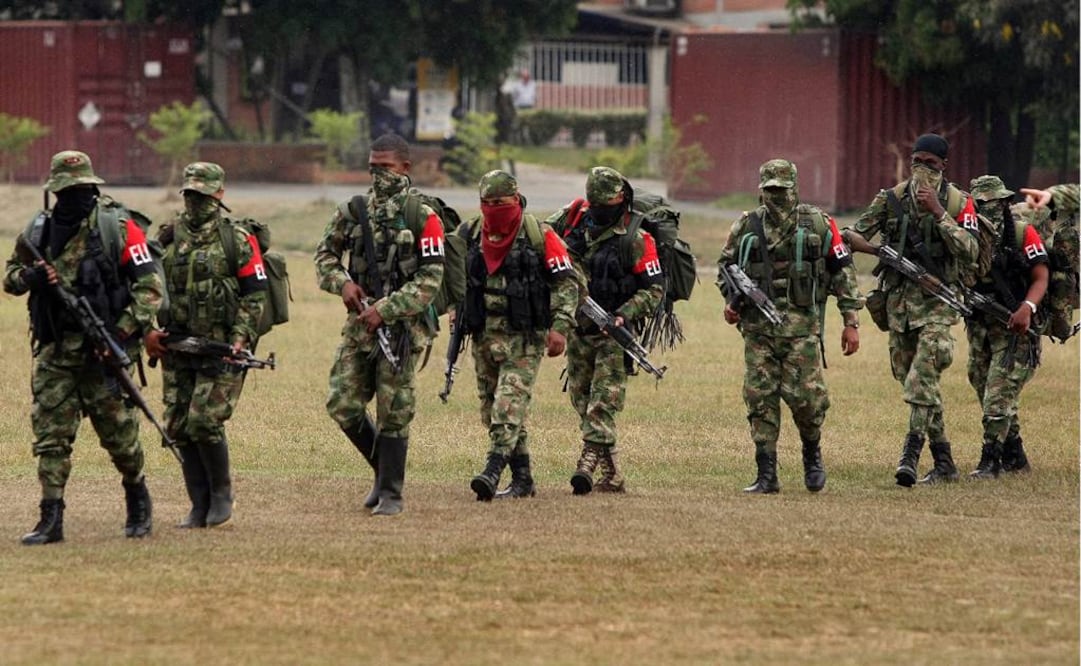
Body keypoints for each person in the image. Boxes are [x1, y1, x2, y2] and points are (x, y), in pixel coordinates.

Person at [3, 150, 163, 544]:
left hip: (104, 353)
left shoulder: (119, 227)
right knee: (51, 436)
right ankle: (50, 517)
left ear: (92, 188)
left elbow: (150, 289)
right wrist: (31, 278)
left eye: (80, 190)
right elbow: (9, 277)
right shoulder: (39, 230)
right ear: (54, 191)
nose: (73, 197)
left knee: (120, 435)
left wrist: (121, 335)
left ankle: (137, 498)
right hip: (55, 352)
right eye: (66, 190)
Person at [314, 133, 446, 516]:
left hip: (402, 329)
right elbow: (324, 257)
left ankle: (391, 493)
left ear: (406, 168)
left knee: (394, 408)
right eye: (373, 168)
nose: (378, 176)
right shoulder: (353, 211)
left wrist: (387, 310)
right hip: (360, 325)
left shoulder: (423, 215)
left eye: (385, 168)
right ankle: (381, 470)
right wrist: (343, 284)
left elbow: (430, 279)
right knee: (342, 402)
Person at [718, 159, 862, 493]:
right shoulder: (746, 226)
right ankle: (766, 473)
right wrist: (731, 301)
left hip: (801, 330)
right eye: (769, 191)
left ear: (794, 189)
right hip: (758, 332)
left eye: (781, 191)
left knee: (808, 400)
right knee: (760, 398)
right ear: (761, 191)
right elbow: (725, 266)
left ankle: (812, 456)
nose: (775, 198)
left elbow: (843, 273)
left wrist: (850, 321)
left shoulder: (818, 224)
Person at [845, 133, 979, 487]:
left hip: (939, 303)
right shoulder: (890, 199)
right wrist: (876, 252)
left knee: (922, 380)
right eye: (917, 161)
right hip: (899, 306)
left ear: (944, 166)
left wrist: (938, 212)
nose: (922, 170)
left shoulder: (956, 202)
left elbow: (971, 250)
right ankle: (945, 461)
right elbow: (852, 234)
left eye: (931, 164)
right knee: (914, 382)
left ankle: (910, 455)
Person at [143, 162, 268, 527]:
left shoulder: (237, 240)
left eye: (204, 195)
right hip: (177, 347)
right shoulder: (168, 237)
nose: (196, 202)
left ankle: (221, 496)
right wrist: (149, 331)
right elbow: (144, 286)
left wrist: (240, 338)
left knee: (205, 421)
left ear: (219, 195)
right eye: (191, 195)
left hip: (221, 348)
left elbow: (254, 295)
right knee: (179, 425)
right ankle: (198, 504)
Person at [457, 170, 579, 501]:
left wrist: (560, 327)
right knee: (491, 409)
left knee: (508, 405)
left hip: (525, 338)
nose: (495, 208)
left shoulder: (540, 235)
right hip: (484, 336)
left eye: (501, 202)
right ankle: (523, 477)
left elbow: (567, 284)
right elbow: (453, 278)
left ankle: (492, 470)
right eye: (488, 203)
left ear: (516, 198)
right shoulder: (470, 233)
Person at [547, 166, 664, 495]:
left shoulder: (637, 238)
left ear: (621, 200)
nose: (600, 210)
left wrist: (625, 315)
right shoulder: (572, 222)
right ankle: (612, 476)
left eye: (607, 203)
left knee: (603, 402)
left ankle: (586, 464)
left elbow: (654, 290)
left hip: (614, 334)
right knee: (582, 400)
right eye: (595, 203)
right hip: (578, 330)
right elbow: (541, 238)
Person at [962, 176, 1048, 479]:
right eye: (983, 203)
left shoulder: (1023, 232)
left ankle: (991, 461)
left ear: (1005, 203)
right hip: (980, 327)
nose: (991, 209)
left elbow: (1040, 276)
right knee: (982, 383)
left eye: (996, 202)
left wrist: (1028, 307)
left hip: (1016, 329)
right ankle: (1016, 455)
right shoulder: (965, 235)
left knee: (998, 396)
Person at [1019, 183, 1079, 342]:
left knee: (1061, 281)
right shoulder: (1034, 217)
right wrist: (1052, 197)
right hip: (1042, 262)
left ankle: (1060, 326)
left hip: (1061, 268)